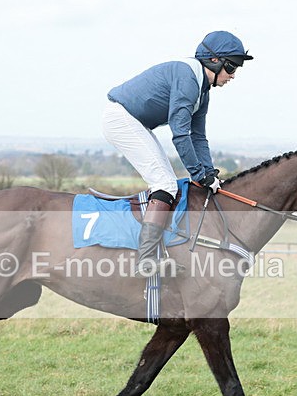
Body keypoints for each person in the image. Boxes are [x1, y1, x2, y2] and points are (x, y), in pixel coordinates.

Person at [103, 31, 253, 276]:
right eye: (231, 66)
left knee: (168, 183)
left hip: (134, 121)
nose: (233, 75)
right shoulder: (187, 80)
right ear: (214, 61)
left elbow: (198, 137)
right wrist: (198, 174)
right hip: (121, 119)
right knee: (164, 183)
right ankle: (146, 260)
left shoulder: (202, 90)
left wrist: (209, 172)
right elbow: (180, 134)